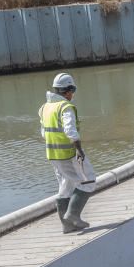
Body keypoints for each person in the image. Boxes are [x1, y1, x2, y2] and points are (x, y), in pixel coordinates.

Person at [39, 73, 96, 233]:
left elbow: (43, 132)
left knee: (66, 185)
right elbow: (70, 130)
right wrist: (79, 150)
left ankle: (67, 225)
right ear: (68, 90)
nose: (73, 95)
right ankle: (73, 215)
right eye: (73, 91)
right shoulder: (65, 107)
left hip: (53, 154)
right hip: (70, 153)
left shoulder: (45, 107)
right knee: (88, 181)